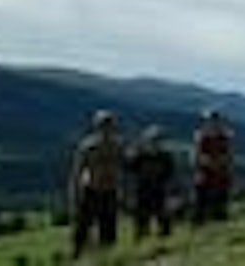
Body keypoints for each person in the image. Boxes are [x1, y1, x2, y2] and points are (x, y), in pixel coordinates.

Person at [68, 109, 124, 259]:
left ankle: (106, 257)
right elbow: (77, 171)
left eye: (109, 125)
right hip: (91, 190)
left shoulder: (117, 146)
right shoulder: (87, 146)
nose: (106, 129)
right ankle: (78, 256)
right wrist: (75, 193)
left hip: (109, 190)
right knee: (83, 227)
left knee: (108, 227)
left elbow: (122, 167)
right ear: (97, 127)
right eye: (103, 125)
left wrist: (121, 189)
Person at [126, 124, 175, 240]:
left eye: (158, 140)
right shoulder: (140, 155)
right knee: (142, 216)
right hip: (143, 189)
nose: (156, 143)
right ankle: (142, 236)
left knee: (162, 214)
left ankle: (164, 237)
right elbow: (129, 169)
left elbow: (170, 173)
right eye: (153, 140)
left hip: (159, 189)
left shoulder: (165, 156)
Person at [192, 108, 234, 224]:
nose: (213, 124)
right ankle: (199, 221)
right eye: (211, 121)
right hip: (205, 171)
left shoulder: (225, 137)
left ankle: (219, 219)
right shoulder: (201, 137)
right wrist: (209, 162)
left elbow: (229, 155)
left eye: (216, 121)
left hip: (221, 172)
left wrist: (221, 162)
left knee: (221, 196)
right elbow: (198, 156)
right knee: (202, 197)